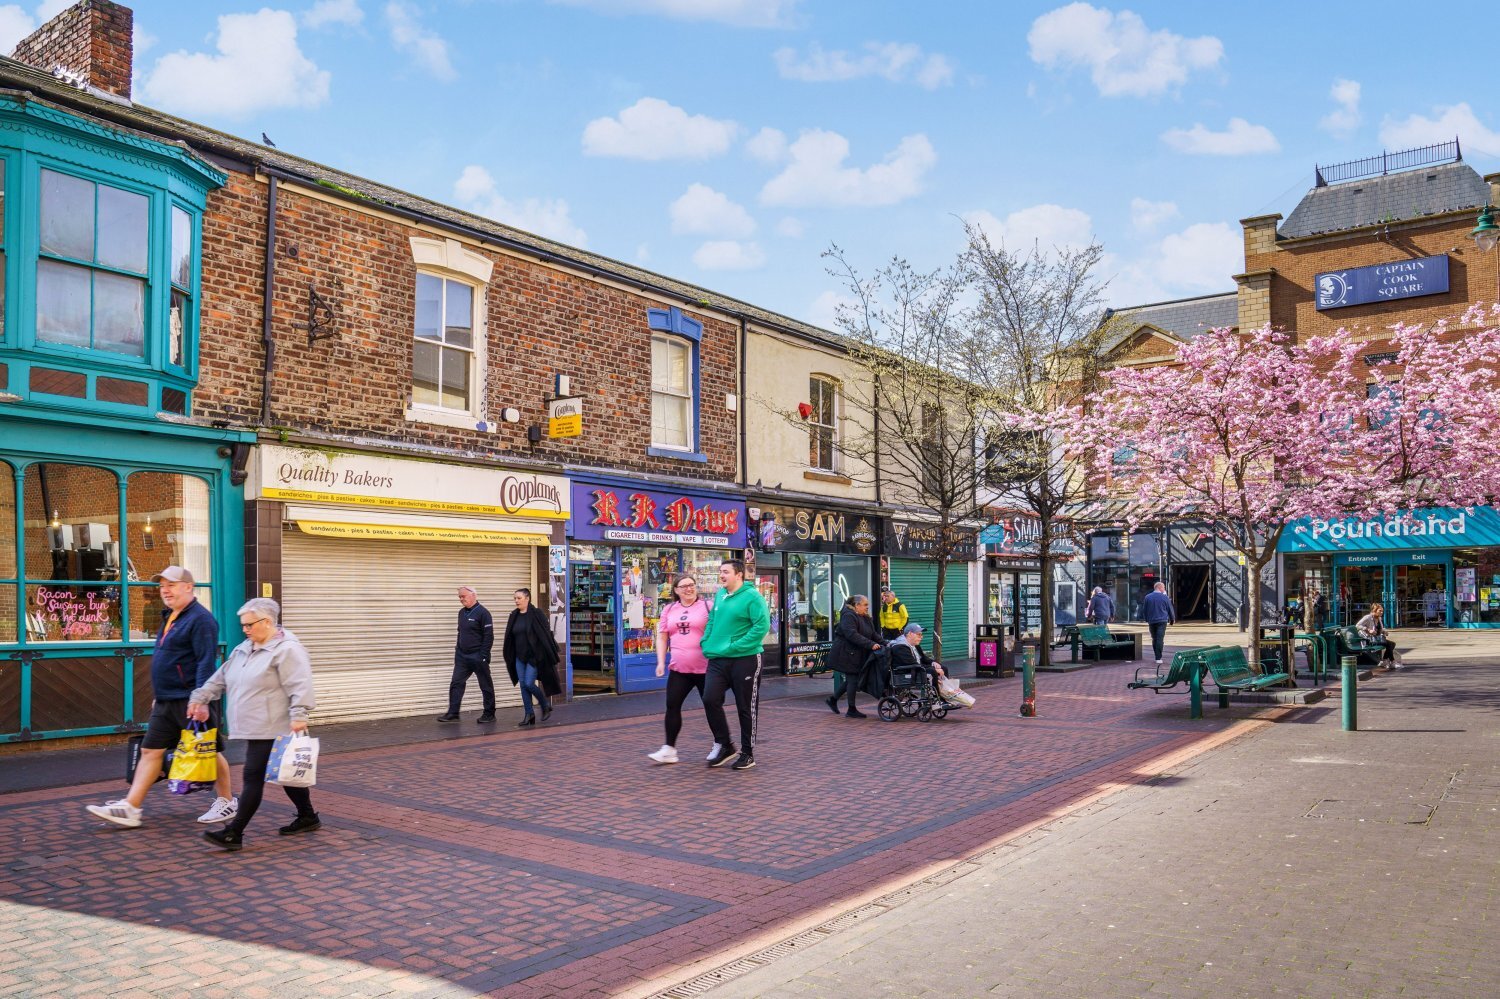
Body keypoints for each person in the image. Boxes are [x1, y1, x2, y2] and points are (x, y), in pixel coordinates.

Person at [87, 566, 234, 828]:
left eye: (172, 585)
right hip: (167, 699)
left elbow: (205, 662)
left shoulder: (201, 620)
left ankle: (226, 801)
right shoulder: (169, 615)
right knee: (150, 750)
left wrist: (200, 699)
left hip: (190, 698)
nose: (165, 590)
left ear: (188, 587)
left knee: (208, 750)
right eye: (162, 585)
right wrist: (160, 694)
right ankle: (131, 808)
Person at [188, 598, 319, 851]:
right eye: (243, 625)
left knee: (252, 776)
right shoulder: (244, 649)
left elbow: (300, 684)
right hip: (256, 723)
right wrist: (200, 697)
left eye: (249, 625)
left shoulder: (287, 650)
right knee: (287, 776)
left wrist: (299, 714)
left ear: (267, 622)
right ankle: (308, 816)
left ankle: (234, 833)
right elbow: (221, 677)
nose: (245, 630)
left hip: (275, 724)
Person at [700, 559, 771, 772]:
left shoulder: (752, 597)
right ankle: (725, 745)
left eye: (725, 572)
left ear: (738, 574)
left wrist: (737, 646)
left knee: (745, 707)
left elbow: (762, 626)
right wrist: (706, 640)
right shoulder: (720, 595)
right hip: (718, 658)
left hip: (746, 659)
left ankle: (747, 753)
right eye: (720, 572)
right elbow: (712, 619)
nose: (721, 575)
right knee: (709, 698)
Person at [648, 574, 713, 764]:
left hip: (706, 668)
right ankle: (669, 749)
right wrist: (660, 662)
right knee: (672, 706)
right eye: (683, 586)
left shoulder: (708, 606)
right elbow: (662, 637)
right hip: (679, 669)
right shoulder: (669, 609)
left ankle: (721, 744)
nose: (688, 589)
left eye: (691, 585)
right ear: (676, 590)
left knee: (712, 707)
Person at [502, 588, 563, 726]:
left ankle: (544, 704)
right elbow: (510, 637)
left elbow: (545, 635)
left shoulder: (536, 614)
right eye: (515, 598)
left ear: (527, 598)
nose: (516, 601)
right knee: (523, 686)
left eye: (519, 598)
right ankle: (529, 714)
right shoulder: (514, 615)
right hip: (519, 657)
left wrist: (540, 654)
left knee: (529, 683)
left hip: (534, 656)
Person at [437, 586, 495, 724]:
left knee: (485, 685)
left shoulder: (483, 613)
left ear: (473, 595)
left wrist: (483, 655)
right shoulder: (461, 613)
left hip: (478, 656)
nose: (461, 599)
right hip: (462, 656)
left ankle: (489, 713)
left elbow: (489, 637)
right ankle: (453, 713)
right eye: (459, 597)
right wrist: (458, 650)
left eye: (463, 596)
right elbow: (460, 632)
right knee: (456, 683)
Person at [828, 594, 882, 719]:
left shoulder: (864, 616)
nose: (867, 607)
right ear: (856, 605)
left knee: (852, 679)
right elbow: (851, 634)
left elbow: (873, 633)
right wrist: (870, 644)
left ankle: (833, 700)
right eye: (865, 605)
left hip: (857, 652)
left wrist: (884, 642)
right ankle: (851, 709)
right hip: (847, 652)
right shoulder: (848, 616)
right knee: (853, 679)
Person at [887, 623, 949, 691]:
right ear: (910, 634)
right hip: (906, 672)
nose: (921, 637)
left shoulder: (914, 644)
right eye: (919, 634)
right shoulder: (899, 647)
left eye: (921, 634)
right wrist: (935, 670)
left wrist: (933, 663)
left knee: (943, 668)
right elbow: (912, 663)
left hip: (915, 668)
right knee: (932, 671)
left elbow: (923, 658)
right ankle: (939, 695)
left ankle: (947, 691)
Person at [1141, 581, 1176, 665]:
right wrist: (1172, 619)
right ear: (1160, 588)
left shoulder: (1147, 597)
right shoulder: (1165, 597)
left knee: (1154, 638)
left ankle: (1156, 655)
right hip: (1162, 621)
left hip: (1152, 621)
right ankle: (1158, 657)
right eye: (1163, 587)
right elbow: (1170, 609)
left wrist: (1146, 619)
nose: (1164, 589)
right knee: (1160, 639)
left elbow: (1144, 610)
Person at [1356, 602, 1399, 668]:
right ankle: (1392, 661)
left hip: (1377, 638)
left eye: (1382, 611)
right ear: (1374, 610)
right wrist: (1368, 629)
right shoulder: (1368, 617)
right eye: (1380, 611)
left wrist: (1384, 632)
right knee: (1389, 644)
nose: (1381, 612)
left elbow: (1380, 629)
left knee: (1392, 644)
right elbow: (1357, 625)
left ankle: (1385, 661)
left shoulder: (1379, 618)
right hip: (1369, 639)